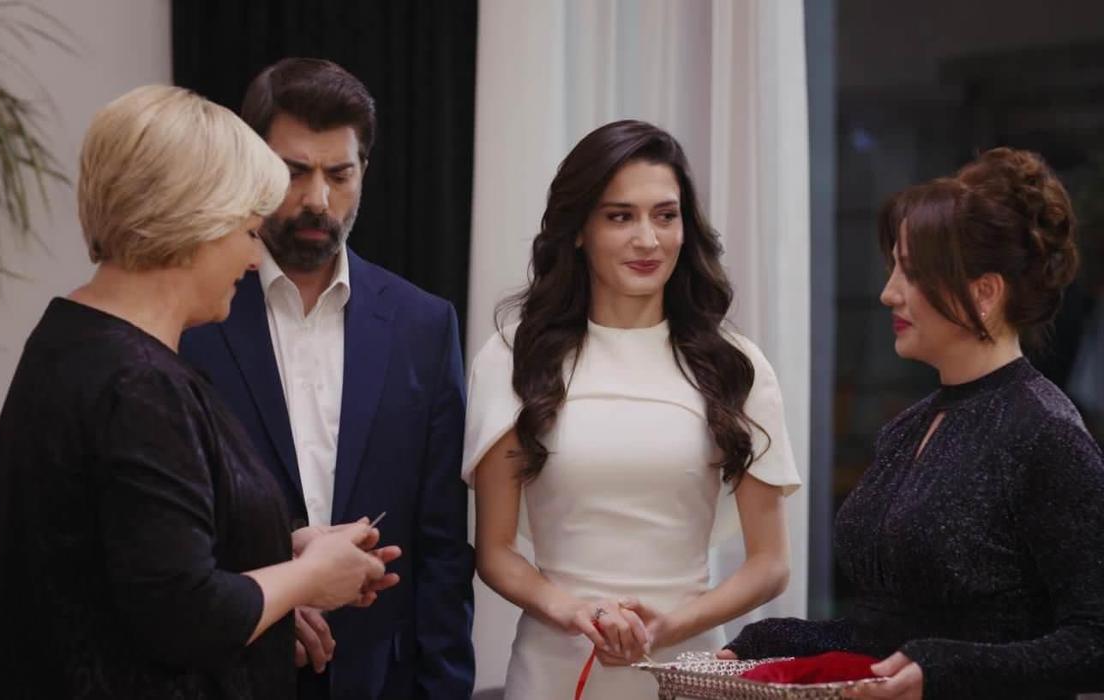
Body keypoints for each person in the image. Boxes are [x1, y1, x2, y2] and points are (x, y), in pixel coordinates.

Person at [0, 85, 399, 699]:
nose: (253, 258)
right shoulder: (138, 382)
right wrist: (309, 578)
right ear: (194, 223)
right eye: (248, 231)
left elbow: (130, 550)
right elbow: (186, 615)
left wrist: (275, 547)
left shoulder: (73, 338)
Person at [721, 147, 1104, 700]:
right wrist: (779, 639)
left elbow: (1094, 642)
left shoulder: (1046, 433)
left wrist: (942, 668)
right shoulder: (908, 429)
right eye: (894, 268)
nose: (888, 292)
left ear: (984, 293)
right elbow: (890, 635)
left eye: (913, 273)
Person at [463, 120, 802, 700]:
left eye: (665, 216)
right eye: (620, 217)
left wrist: (669, 627)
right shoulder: (513, 359)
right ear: (578, 231)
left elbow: (770, 564)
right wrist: (574, 612)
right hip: (550, 672)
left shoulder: (736, 366)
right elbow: (494, 553)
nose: (648, 239)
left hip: (690, 671)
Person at [179, 58, 475, 700]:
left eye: (339, 175)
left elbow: (443, 548)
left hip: (383, 678)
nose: (318, 199)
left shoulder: (425, 327)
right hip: (228, 669)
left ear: (363, 172)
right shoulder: (194, 318)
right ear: (254, 168)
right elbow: (172, 529)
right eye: (294, 172)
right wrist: (262, 604)